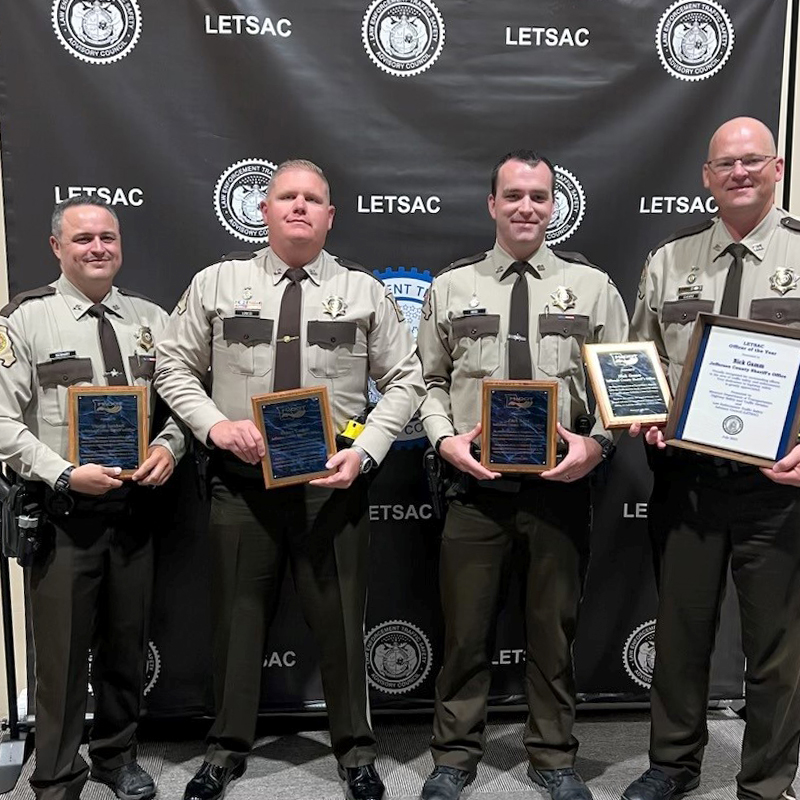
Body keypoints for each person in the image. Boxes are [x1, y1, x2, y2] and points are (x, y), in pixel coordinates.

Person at [154, 159, 425, 800]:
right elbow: (172, 366)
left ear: (330, 216)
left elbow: (407, 379)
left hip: (333, 482)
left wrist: (369, 452)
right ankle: (224, 751)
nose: (299, 207)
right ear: (263, 209)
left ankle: (356, 751)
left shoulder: (363, 292)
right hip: (241, 482)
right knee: (236, 622)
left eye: (314, 199)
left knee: (340, 625)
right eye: (286, 197)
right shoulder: (217, 283)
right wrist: (215, 427)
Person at [415, 149, 628, 800]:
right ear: (492, 205)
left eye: (538, 195)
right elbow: (428, 382)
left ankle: (554, 755)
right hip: (473, 490)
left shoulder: (592, 288)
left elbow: (626, 391)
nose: (526, 207)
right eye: (513, 195)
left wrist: (595, 447)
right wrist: (444, 440)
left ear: (554, 204)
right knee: (465, 631)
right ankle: (453, 756)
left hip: (559, 491)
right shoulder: (453, 287)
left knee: (552, 632)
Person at [624, 117, 800, 800]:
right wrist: (646, 410)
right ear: (706, 176)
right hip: (687, 481)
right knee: (681, 634)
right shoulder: (670, 259)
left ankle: (764, 780)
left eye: (753, 161)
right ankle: (672, 764)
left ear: (777, 167)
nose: (740, 173)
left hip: (775, 485)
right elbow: (639, 359)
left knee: (777, 648)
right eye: (726, 164)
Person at [0, 195, 186, 800]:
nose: (98, 248)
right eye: (83, 239)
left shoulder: (153, 321)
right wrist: (62, 475)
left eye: (108, 237)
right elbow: (3, 422)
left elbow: (181, 407)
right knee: (59, 659)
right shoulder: (23, 321)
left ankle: (114, 756)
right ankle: (56, 775)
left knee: (126, 648)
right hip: (64, 515)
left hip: (135, 511)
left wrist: (169, 448)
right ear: (57, 247)